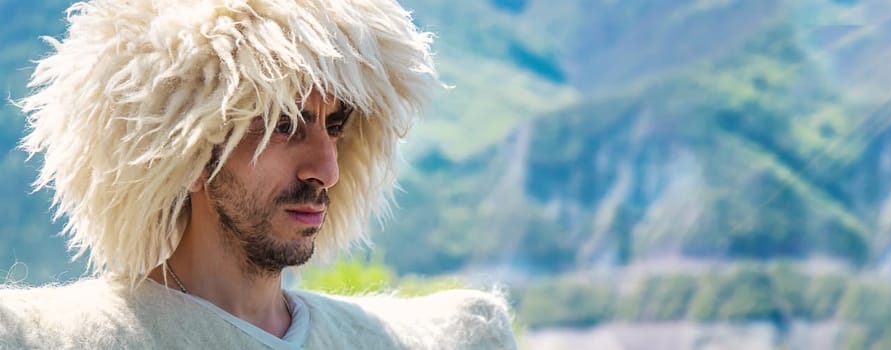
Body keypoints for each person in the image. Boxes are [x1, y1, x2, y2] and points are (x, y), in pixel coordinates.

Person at [0, 0, 516, 349]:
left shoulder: (413, 339)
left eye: (334, 127)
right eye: (285, 125)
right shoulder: (56, 337)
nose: (327, 169)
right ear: (192, 154)